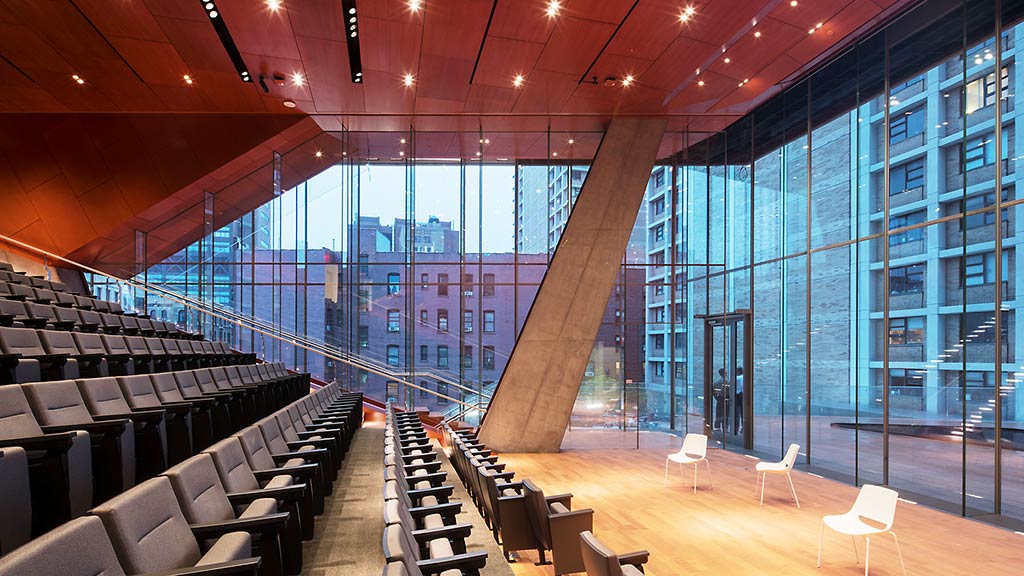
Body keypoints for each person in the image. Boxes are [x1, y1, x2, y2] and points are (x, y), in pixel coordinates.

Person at [733, 367, 744, 435]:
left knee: (737, 414)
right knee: (743, 414)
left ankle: (736, 429)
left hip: (737, 396)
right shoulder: (745, 378)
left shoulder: (737, 378)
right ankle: (743, 428)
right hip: (743, 396)